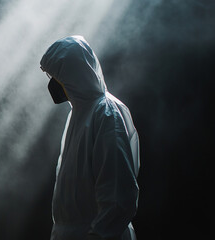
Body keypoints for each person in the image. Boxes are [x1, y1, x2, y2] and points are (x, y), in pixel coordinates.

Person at [40, 35, 140, 240]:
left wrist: (98, 235)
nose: (52, 84)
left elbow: (118, 196)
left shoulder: (106, 114)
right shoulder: (79, 115)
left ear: (73, 73)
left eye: (55, 77)